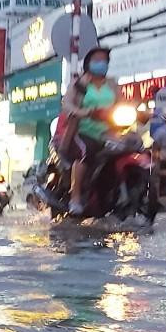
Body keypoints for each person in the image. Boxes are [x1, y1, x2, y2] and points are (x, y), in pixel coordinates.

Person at [60, 47, 120, 216]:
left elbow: (123, 104)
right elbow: (67, 104)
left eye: (104, 60)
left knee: (133, 146)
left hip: (109, 132)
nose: (101, 63)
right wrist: (84, 112)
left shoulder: (112, 84)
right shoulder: (80, 84)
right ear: (88, 63)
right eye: (97, 60)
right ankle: (76, 197)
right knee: (85, 153)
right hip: (83, 130)